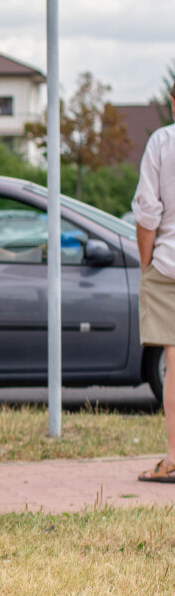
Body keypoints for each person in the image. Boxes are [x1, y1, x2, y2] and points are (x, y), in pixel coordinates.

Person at [134, 87, 175, 482]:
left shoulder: (163, 142)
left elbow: (148, 212)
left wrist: (146, 265)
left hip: (169, 265)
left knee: (174, 366)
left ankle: (174, 458)